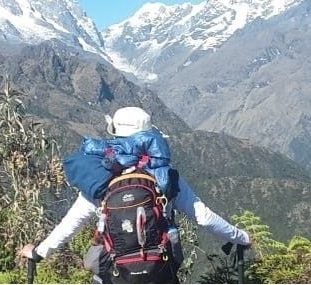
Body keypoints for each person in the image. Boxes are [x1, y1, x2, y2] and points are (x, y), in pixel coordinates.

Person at [19, 107, 251, 283]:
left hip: (113, 272)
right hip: (160, 270)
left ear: (115, 135)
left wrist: (39, 252)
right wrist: (241, 236)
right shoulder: (165, 177)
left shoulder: (101, 179)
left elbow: (72, 224)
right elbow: (205, 218)